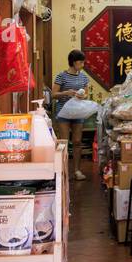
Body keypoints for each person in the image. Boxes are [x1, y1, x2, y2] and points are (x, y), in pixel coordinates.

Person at [51, 50, 91, 181]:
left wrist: (82, 95)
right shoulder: (61, 76)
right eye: (80, 62)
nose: (82, 64)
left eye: (83, 62)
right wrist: (66, 93)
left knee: (77, 142)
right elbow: (54, 94)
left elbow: (86, 94)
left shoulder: (84, 77)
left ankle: (77, 170)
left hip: (78, 111)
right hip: (63, 111)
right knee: (64, 142)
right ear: (73, 62)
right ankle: (62, 170)